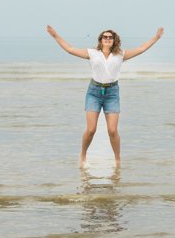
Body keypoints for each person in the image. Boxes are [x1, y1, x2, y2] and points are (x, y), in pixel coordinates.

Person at [45, 24, 164, 168]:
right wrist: (55, 35)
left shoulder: (120, 55)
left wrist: (156, 38)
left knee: (112, 130)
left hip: (112, 93)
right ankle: (83, 155)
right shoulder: (92, 53)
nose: (107, 39)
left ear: (114, 40)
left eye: (110, 37)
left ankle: (117, 160)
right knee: (91, 130)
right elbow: (70, 49)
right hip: (94, 92)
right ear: (101, 40)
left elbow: (141, 49)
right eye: (105, 37)